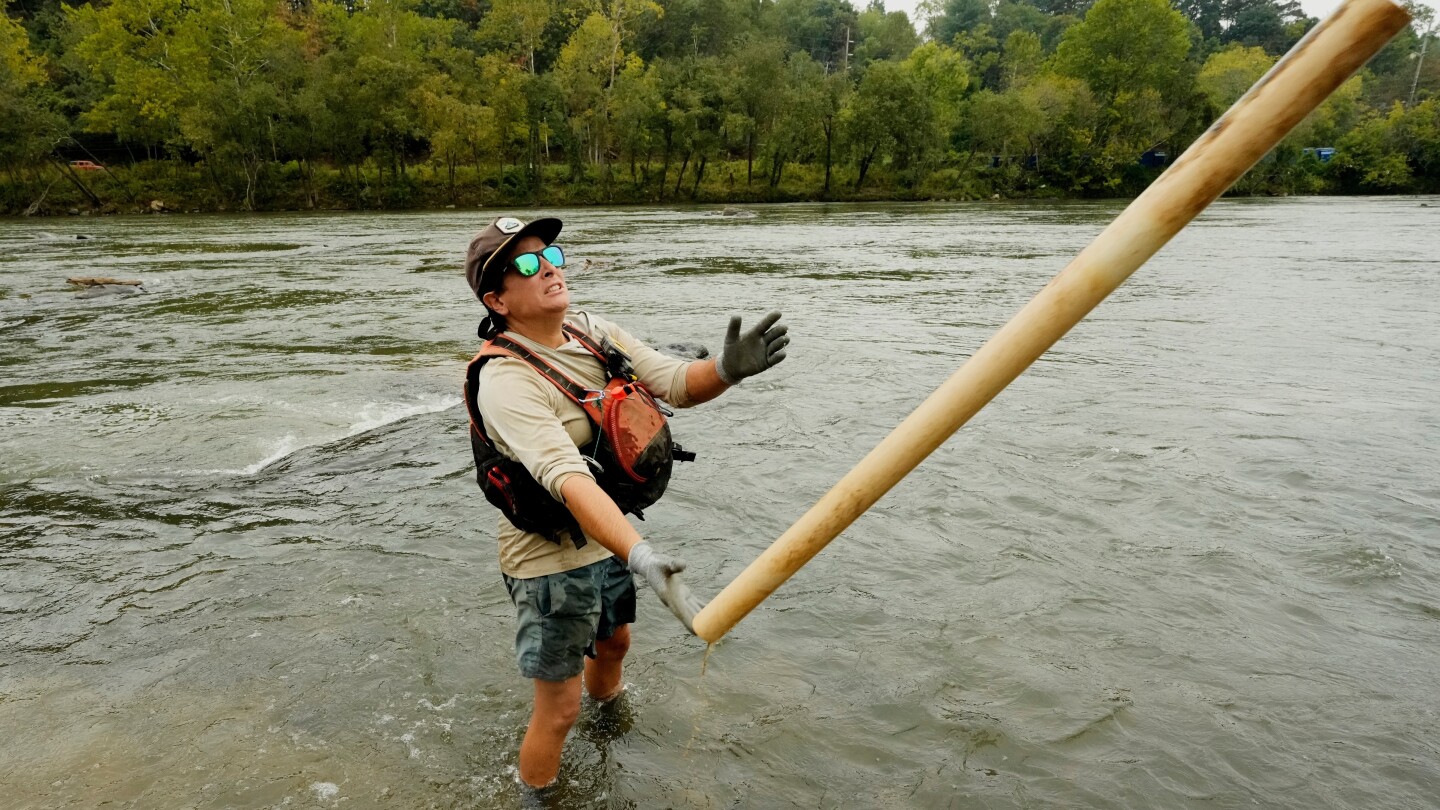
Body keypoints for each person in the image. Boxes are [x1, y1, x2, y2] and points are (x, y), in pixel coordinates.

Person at [462, 215, 789, 790]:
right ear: (498, 300)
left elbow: (676, 382)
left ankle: (610, 732)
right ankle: (540, 799)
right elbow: (569, 480)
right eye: (528, 264)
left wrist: (726, 370)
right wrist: (641, 555)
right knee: (559, 710)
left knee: (614, 643)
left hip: (607, 533)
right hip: (548, 560)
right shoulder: (505, 380)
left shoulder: (593, 331)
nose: (550, 269)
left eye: (552, 256)